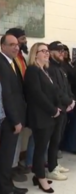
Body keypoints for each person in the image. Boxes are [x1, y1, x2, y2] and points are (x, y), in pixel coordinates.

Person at [24, 42, 64, 193]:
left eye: (47, 51)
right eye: (43, 51)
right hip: (40, 116)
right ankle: (41, 178)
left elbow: (52, 92)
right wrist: (53, 110)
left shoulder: (44, 71)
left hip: (49, 115)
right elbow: (37, 95)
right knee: (40, 150)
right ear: (35, 54)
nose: (47, 53)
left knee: (42, 148)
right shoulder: (33, 70)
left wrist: (58, 106)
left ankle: (37, 175)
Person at [0, 34, 27, 194]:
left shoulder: (10, 62)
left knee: (7, 156)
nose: (16, 47)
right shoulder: (2, 64)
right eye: (11, 44)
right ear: (2, 46)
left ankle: (7, 185)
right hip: (8, 119)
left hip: (11, 117)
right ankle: (5, 188)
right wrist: (15, 120)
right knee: (6, 156)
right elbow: (6, 95)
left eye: (17, 44)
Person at [5, 27, 29, 182]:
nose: (22, 42)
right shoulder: (7, 60)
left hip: (21, 104)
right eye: (21, 39)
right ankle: (10, 169)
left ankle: (14, 164)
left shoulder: (21, 57)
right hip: (10, 110)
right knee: (9, 142)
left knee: (18, 139)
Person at [47, 41, 73, 179]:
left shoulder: (60, 67)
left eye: (63, 51)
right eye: (59, 51)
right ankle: (51, 168)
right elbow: (55, 90)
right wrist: (68, 101)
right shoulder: (50, 68)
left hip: (64, 108)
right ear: (51, 52)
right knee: (53, 139)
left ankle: (54, 164)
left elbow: (66, 87)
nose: (62, 54)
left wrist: (71, 99)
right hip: (56, 109)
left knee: (57, 139)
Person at [60, 45, 76, 155]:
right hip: (65, 99)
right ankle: (67, 145)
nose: (65, 53)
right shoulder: (61, 65)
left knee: (73, 122)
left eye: (66, 51)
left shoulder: (69, 64)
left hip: (72, 97)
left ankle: (70, 144)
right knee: (68, 122)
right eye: (63, 51)